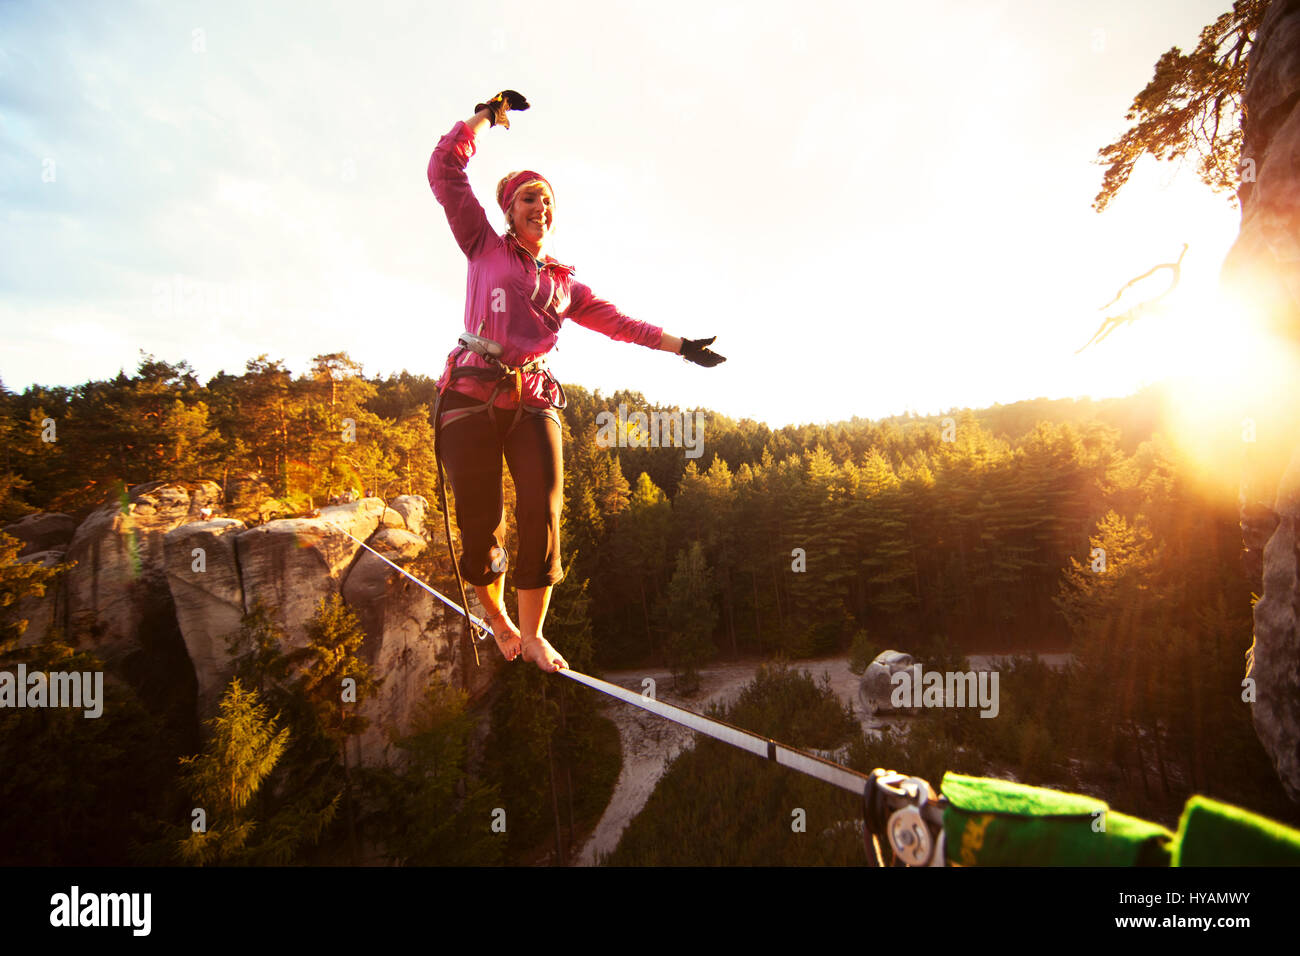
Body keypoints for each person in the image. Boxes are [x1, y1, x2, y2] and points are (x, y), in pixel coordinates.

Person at [427, 89, 725, 673]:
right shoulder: (482, 243)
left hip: (532, 396)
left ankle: (533, 632)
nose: (541, 207)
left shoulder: (565, 285)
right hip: (469, 396)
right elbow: (444, 167)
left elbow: (621, 324)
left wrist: (681, 346)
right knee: (480, 525)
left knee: (542, 508)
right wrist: (486, 116)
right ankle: (496, 616)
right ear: (510, 210)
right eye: (529, 198)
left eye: (547, 200)